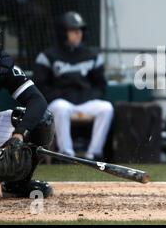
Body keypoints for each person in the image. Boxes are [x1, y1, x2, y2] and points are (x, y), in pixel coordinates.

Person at [33, 12, 114, 161]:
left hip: (84, 101)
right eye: (73, 30)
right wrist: (64, 95)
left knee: (106, 108)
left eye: (80, 30)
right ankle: (67, 154)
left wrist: (84, 96)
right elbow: (41, 87)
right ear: (63, 32)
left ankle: (93, 154)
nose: (78, 34)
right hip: (60, 102)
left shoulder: (92, 55)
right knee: (61, 108)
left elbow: (100, 86)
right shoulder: (48, 55)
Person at [0, 32, 54, 198]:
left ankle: (17, 184)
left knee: (42, 119)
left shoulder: (2, 65)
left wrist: (19, 134)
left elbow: (37, 101)